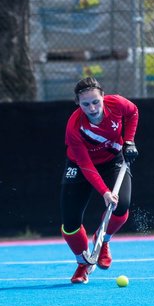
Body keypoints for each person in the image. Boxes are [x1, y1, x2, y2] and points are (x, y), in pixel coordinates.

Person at [60, 76, 139, 284]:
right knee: (70, 223)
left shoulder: (118, 104)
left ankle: (103, 239)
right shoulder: (74, 127)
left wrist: (129, 140)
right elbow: (86, 164)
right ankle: (83, 264)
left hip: (113, 159)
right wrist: (104, 191)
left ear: (103, 97)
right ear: (78, 104)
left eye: (96, 101)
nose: (92, 108)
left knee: (121, 206)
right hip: (80, 165)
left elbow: (133, 113)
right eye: (85, 104)